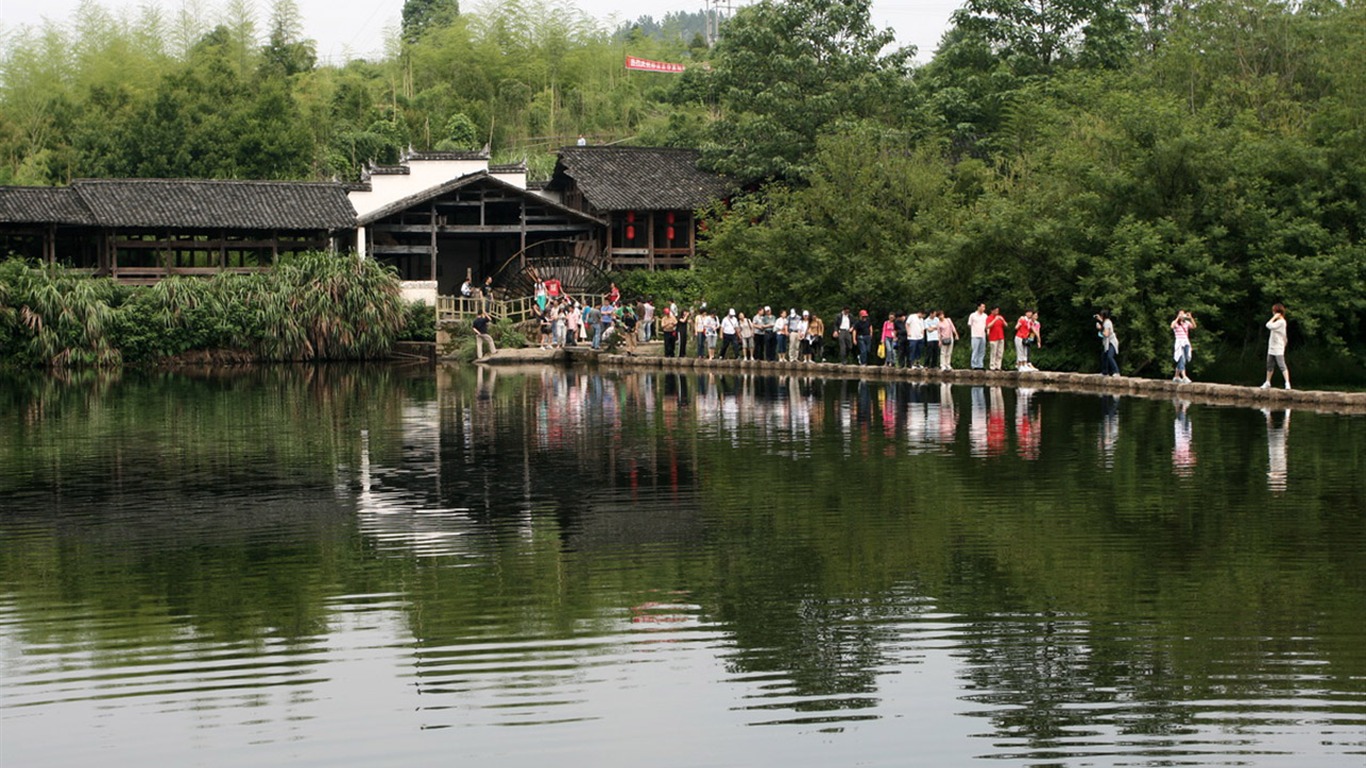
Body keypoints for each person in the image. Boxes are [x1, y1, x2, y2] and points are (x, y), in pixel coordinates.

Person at [1261, 303, 1291, 389]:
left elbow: (1268, 325)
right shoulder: (1278, 322)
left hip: (1278, 347)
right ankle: (1267, 382)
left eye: (1274, 312)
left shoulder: (1281, 322)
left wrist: (1274, 318)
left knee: (1281, 364)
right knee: (1269, 364)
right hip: (1272, 346)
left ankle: (1287, 383)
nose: (1273, 313)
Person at [1171, 309, 1196, 383]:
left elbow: (1194, 326)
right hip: (1179, 343)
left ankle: (1176, 376)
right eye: (1180, 314)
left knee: (1184, 360)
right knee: (1181, 358)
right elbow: (1172, 326)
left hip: (1186, 342)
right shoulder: (1175, 323)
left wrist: (1191, 318)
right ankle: (1184, 376)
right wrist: (1177, 318)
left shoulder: (1186, 323)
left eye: (1183, 314)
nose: (1182, 315)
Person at [1097, 310, 1120, 376]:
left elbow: (1106, 334)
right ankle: (1105, 372)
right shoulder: (1106, 322)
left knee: (1109, 356)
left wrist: (1100, 328)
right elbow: (1103, 323)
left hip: (1111, 342)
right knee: (1104, 356)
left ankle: (1116, 371)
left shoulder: (1107, 323)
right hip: (1107, 342)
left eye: (1101, 316)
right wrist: (1099, 320)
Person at [969, 303, 988, 369]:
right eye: (982, 307)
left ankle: (980, 365)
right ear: (978, 307)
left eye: (984, 307)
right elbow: (969, 324)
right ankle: (974, 365)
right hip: (975, 335)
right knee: (975, 350)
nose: (984, 308)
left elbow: (986, 326)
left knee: (982, 351)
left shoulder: (985, 316)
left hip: (983, 335)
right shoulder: (973, 315)